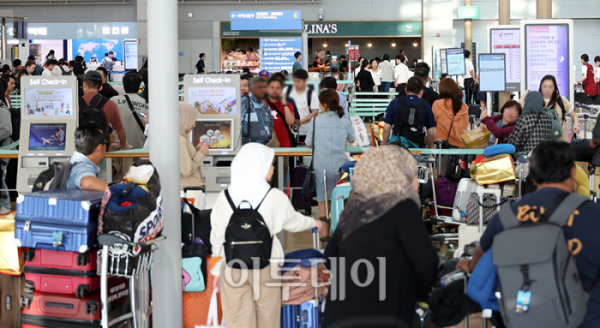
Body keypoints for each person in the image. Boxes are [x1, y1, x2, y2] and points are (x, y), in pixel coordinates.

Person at [455, 140, 600, 327]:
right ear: (573, 172)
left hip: (526, 318)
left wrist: (467, 264)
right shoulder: (593, 215)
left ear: (533, 176)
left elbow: (480, 259)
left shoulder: (509, 215)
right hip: (586, 319)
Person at [323, 146, 438, 327]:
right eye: (413, 176)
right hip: (387, 315)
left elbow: (330, 258)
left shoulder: (354, 209)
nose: (416, 182)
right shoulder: (403, 207)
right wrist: (419, 294)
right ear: (400, 178)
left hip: (338, 316)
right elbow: (426, 263)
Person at [210, 143, 323, 328]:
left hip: (232, 268)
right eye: (270, 164)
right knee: (268, 320)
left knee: (238, 321)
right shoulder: (274, 196)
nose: (272, 168)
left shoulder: (225, 197)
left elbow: (217, 237)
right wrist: (316, 223)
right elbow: (295, 222)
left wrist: (215, 271)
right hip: (267, 266)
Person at [306, 89, 355, 239]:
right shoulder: (344, 121)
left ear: (325, 104)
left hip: (321, 166)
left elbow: (308, 143)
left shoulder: (315, 121)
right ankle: (340, 234)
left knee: (323, 200)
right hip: (341, 166)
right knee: (339, 199)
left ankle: (324, 236)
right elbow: (352, 139)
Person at [382, 76, 436, 148]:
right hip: (417, 147)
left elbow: (386, 128)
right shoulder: (426, 105)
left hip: (397, 146)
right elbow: (431, 133)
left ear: (406, 90)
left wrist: (384, 144)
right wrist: (430, 147)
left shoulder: (395, 102)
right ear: (421, 92)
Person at [80, 71, 127, 148]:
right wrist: (122, 144)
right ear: (101, 87)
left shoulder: (76, 103)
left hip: (81, 149)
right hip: (102, 150)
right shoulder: (110, 104)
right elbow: (120, 130)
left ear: (84, 84)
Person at [66, 125, 109, 191]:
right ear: (100, 148)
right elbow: (87, 183)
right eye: (106, 143)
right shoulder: (82, 167)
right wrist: (116, 190)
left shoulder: (72, 162)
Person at [112, 72, 149, 150]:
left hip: (117, 152)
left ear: (124, 85)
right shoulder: (146, 105)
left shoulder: (112, 102)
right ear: (139, 86)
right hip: (139, 152)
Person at [540, 75, 580, 142]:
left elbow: (574, 115)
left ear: (554, 89)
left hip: (561, 144)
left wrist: (575, 124)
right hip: (542, 144)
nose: (547, 89)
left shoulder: (561, 100)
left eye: (550, 87)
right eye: (544, 86)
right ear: (540, 87)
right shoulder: (536, 102)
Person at [178, 102, 209, 189]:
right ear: (183, 119)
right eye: (192, 120)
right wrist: (201, 153)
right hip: (189, 190)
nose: (194, 125)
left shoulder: (179, 136)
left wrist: (196, 150)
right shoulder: (180, 139)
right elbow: (187, 170)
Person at [432, 78, 469, 148]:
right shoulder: (464, 106)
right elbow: (465, 124)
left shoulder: (437, 104)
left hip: (442, 144)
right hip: (460, 145)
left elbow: (433, 122)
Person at [285, 69, 319, 143]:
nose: (296, 84)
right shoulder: (287, 91)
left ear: (306, 80)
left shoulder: (311, 94)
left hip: (306, 132)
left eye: (298, 81)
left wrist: (300, 122)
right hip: (289, 131)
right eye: (295, 81)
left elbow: (315, 112)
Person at [264, 78, 296, 147]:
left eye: (278, 88)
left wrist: (284, 103)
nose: (275, 90)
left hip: (284, 143)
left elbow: (290, 122)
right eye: (272, 87)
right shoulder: (261, 103)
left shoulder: (288, 103)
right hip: (267, 143)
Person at [241, 77, 273, 145]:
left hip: (266, 145)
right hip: (250, 146)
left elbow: (271, 124)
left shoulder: (265, 105)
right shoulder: (245, 101)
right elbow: (237, 124)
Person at [0, 80, 11, 214]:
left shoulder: (2, 109)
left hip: (4, 149)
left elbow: (7, 130)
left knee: (1, 177)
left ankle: (5, 206)